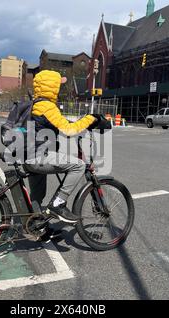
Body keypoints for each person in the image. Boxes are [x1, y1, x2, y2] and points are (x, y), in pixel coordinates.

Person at [23, 70, 108, 224]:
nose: (60, 89)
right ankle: (58, 204)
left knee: (38, 195)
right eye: (58, 85)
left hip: (29, 156)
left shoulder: (37, 104)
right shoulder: (47, 106)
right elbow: (69, 130)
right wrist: (91, 118)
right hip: (38, 157)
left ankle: (36, 226)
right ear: (52, 86)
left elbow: (61, 123)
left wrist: (80, 122)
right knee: (78, 165)